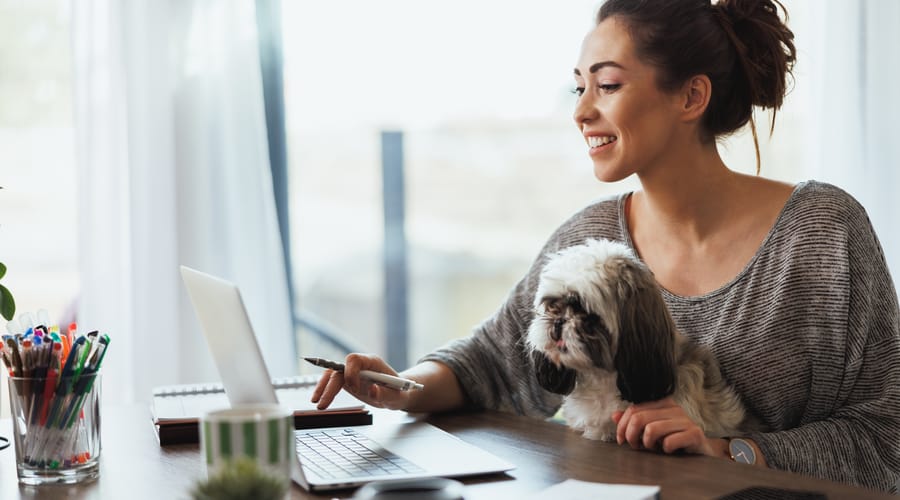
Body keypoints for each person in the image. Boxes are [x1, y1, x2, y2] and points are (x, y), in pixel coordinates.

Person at [312, 0, 900, 492]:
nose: (581, 111)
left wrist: (731, 451)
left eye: (608, 84)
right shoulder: (588, 237)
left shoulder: (822, 232)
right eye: (578, 88)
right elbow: (492, 361)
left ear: (691, 97)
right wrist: (397, 388)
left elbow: (886, 438)